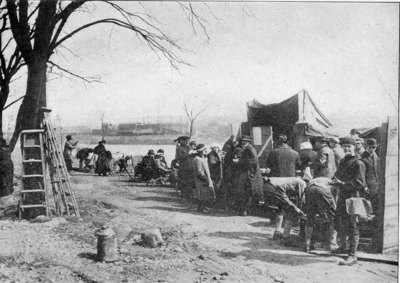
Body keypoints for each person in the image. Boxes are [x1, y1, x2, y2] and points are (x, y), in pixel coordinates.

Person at [332, 136, 366, 266]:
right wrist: (335, 179)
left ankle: (352, 255)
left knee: (352, 225)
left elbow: (360, 183)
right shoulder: (343, 161)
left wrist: (342, 183)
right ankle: (343, 246)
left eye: (349, 146)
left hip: (353, 197)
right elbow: (338, 174)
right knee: (341, 222)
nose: (346, 149)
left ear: (354, 147)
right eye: (344, 146)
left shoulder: (358, 163)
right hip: (343, 196)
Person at [303, 177, 338, 253]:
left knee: (310, 217)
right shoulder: (333, 182)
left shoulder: (317, 179)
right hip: (322, 190)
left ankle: (307, 244)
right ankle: (332, 244)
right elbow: (335, 197)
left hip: (309, 189)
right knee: (334, 216)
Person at [234, 135, 263, 216]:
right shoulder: (246, 148)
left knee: (247, 191)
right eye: (243, 141)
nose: (243, 142)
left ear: (248, 141)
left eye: (245, 141)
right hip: (246, 172)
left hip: (249, 173)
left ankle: (245, 210)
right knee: (245, 191)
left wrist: (240, 162)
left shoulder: (250, 148)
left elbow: (253, 161)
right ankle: (245, 209)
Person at [193, 144, 215, 212]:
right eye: (204, 150)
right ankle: (201, 208)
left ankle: (202, 207)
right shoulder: (197, 159)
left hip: (205, 178)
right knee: (201, 194)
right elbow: (199, 171)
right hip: (201, 179)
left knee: (205, 193)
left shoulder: (203, 158)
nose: (206, 151)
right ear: (200, 151)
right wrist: (206, 179)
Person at [361, 138, 380, 212]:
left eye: (374, 147)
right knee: (367, 206)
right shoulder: (362, 157)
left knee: (376, 204)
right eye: (370, 147)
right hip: (367, 185)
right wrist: (365, 186)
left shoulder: (375, 156)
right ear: (366, 146)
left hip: (376, 184)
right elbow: (361, 174)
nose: (372, 149)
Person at [208, 143, 224, 207]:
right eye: (214, 148)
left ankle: (216, 202)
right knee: (215, 188)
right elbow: (212, 163)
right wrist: (220, 161)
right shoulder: (211, 155)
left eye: (216, 148)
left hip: (219, 173)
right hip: (214, 173)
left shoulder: (217, 154)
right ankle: (213, 202)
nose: (215, 149)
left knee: (218, 188)